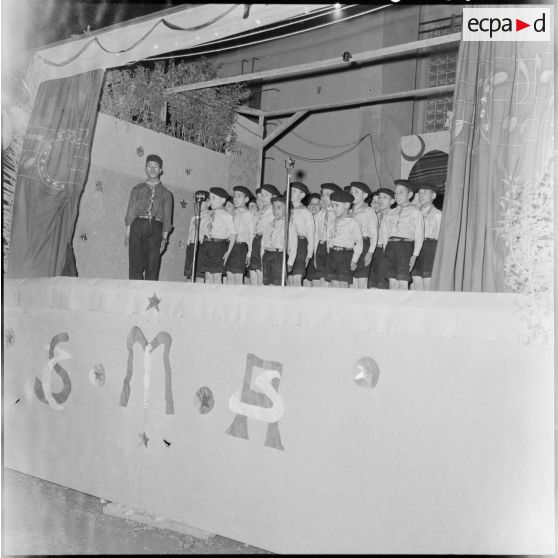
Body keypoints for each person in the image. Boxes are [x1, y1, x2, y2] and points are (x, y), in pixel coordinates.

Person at [124, 154, 173, 281]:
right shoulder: (136, 189)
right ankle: (134, 296)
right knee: (135, 266)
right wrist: (128, 234)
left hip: (156, 228)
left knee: (152, 266)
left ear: (160, 170)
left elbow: (167, 218)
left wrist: (164, 239)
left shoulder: (167, 194)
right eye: (149, 166)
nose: (152, 169)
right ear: (145, 169)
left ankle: (147, 298)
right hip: (137, 225)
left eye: (156, 167)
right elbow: (130, 211)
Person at [379, 179, 424, 290]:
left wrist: (414, 255)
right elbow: (385, 233)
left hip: (405, 248)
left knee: (402, 281)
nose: (397, 195)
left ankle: (402, 306)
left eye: (401, 192)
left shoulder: (415, 212)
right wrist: (386, 250)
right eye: (396, 192)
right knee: (392, 281)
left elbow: (419, 235)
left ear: (410, 194)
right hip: (390, 248)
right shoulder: (390, 213)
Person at [326, 189, 363, 288]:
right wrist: (329, 250)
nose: (334, 208)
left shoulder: (353, 222)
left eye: (336, 205)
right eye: (332, 205)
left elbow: (359, 243)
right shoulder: (332, 222)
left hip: (345, 256)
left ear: (346, 205)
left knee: (343, 284)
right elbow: (329, 238)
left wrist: (354, 260)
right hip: (333, 254)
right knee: (334, 284)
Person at [201, 187, 236, 284]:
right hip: (207, 245)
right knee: (207, 276)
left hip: (218, 247)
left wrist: (228, 252)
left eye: (213, 198)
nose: (210, 201)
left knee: (216, 276)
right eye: (210, 198)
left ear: (223, 200)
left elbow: (233, 234)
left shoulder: (226, 215)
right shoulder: (209, 214)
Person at [261, 195, 298, 286]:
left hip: (279, 256)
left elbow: (293, 246)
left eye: (279, 208)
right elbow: (263, 242)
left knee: (278, 282)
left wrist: (290, 263)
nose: (275, 210)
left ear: (286, 210)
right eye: (274, 208)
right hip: (267, 255)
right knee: (267, 282)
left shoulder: (289, 225)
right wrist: (262, 257)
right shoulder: (270, 224)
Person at [411, 185, 442, 291]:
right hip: (415, 247)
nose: (421, 195)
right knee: (416, 280)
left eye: (424, 192)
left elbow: (440, 237)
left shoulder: (438, 214)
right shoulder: (413, 213)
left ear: (433, 195)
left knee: (427, 282)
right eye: (419, 193)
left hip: (430, 247)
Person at [248, 184, 280, 285]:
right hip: (256, 241)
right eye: (261, 195)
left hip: (264, 242)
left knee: (262, 271)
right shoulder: (260, 212)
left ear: (273, 197)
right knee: (255, 270)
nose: (261, 197)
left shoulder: (273, 212)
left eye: (265, 195)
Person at [349, 181, 378, 289]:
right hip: (351, 245)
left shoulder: (368, 211)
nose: (352, 194)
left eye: (356, 192)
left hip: (364, 245)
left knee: (362, 279)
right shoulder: (348, 212)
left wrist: (370, 252)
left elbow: (374, 234)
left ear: (364, 196)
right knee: (352, 280)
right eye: (351, 191)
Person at [313, 183, 341, 287]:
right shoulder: (319, 215)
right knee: (321, 278)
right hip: (321, 247)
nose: (324, 198)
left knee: (332, 279)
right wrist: (315, 253)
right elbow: (316, 235)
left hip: (332, 248)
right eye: (323, 194)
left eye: (328, 195)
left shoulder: (338, 214)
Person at [288, 181, 315, 287]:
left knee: (296, 277)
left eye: (294, 191)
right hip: (289, 243)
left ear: (302, 195)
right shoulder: (287, 210)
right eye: (290, 190)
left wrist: (309, 254)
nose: (291, 193)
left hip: (300, 244)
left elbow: (311, 234)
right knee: (289, 279)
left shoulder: (306, 212)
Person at [226, 185, 254, 285]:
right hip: (230, 246)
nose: (235, 199)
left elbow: (251, 234)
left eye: (239, 196)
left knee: (238, 277)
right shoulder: (233, 213)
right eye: (234, 196)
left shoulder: (248, 214)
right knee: (229, 276)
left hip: (240, 247)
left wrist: (250, 253)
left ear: (246, 199)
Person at [368, 187, 395, 289]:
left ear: (392, 201)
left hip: (386, 249)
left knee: (383, 281)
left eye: (385, 197)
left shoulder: (394, 214)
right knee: (373, 280)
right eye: (379, 197)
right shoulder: (374, 215)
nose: (381, 200)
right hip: (375, 250)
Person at [184, 190, 209, 282]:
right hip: (191, 246)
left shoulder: (209, 216)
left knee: (199, 274)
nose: (198, 203)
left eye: (201, 201)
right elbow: (191, 232)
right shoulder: (194, 218)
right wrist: (188, 242)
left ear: (208, 203)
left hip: (201, 247)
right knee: (189, 273)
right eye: (196, 201)